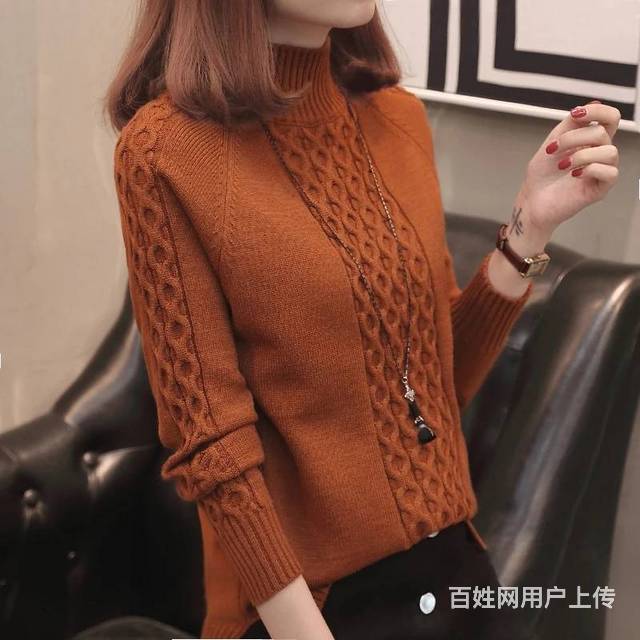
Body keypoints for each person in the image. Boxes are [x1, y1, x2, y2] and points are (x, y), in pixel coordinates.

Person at [103, 1, 620, 638]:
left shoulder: (397, 117)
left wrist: (528, 227)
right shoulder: (164, 152)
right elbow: (209, 441)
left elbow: (437, 385)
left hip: (454, 574)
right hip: (309, 607)